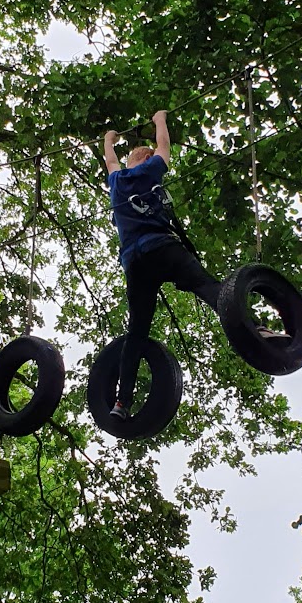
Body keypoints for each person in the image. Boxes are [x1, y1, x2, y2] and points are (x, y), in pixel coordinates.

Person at [104, 111, 222, 418]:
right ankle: (252, 330)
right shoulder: (150, 170)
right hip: (161, 246)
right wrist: (159, 120)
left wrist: (108, 140)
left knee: (137, 331)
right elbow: (164, 146)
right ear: (147, 160)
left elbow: (110, 161)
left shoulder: (117, 181)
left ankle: (121, 403)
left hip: (134, 262)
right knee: (204, 284)